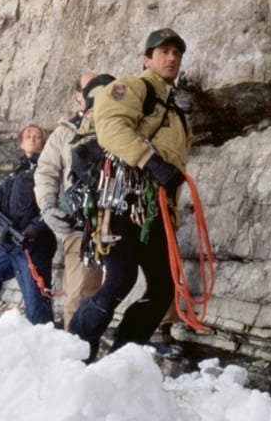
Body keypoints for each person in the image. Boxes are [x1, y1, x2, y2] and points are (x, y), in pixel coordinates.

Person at [68, 28, 193, 362]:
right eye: (163, 52)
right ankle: (75, 348)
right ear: (147, 59)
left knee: (163, 287)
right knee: (121, 279)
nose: (170, 58)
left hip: (154, 210)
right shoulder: (132, 88)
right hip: (122, 201)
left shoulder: (174, 109)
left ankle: (123, 355)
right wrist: (151, 162)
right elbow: (112, 128)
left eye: (176, 54)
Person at [0, 125, 57, 329]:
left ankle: (45, 354)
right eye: (28, 136)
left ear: (44, 142)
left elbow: (54, 204)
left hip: (34, 247)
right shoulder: (14, 176)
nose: (32, 139)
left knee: (36, 306)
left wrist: (35, 228)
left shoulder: (49, 170)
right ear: (21, 143)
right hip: (8, 247)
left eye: (37, 136)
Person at [34, 72, 105, 329]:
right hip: (81, 223)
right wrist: (48, 207)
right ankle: (74, 348)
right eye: (90, 88)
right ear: (78, 96)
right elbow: (47, 171)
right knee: (81, 291)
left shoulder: (121, 123)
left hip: (120, 216)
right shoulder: (64, 133)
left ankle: (157, 334)